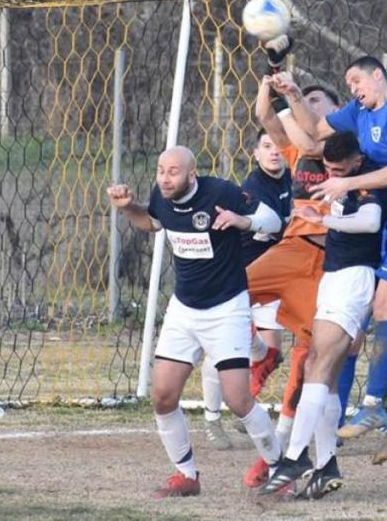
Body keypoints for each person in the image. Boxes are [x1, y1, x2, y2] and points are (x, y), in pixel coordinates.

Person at [274, 56, 387, 462]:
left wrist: (346, 184)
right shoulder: (358, 111)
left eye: (356, 80)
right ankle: (349, 423)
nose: (352, 88)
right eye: (348, 83)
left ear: (378, 75)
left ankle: (385, 410)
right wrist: (293, 94)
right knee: (356, 331)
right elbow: (314, 133)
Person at [106, 146, 285, 498]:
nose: (164, 178)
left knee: (238, 399)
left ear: (192, 174)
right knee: (162, 396)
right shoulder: (163, 197)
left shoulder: (221, 192)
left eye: (173, 172)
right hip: (184, 309)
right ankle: (187, 475)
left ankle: (281, 469)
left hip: (227, 307)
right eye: (160, 170)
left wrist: (243, 221)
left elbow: (274, 221)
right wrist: (128, 207)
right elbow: (152, 223)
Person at [259, 131, 387, 499]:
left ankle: (296, 456)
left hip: (354, 277)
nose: (332, 176)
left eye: (339, 171)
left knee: (317, 363)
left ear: (356, 163)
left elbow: (371, 222)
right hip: (334, 275)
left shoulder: (367, 181)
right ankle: (326, 463)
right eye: (328, 169)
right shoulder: (342, 180)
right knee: (322, 371)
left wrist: (322, 219)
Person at [239, 73, 342, 489]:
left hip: (328, 263)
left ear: (337, 112)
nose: (309, 107)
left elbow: (319, 142)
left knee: (310, 360)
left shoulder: (349, 148)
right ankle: (259, 353)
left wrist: (292, 96)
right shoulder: (297, 149)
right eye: (306, 100)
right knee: (229, 289)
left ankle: (281, 456)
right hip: (291, 249)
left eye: (318, 102)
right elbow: (264, 115)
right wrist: (270, 79)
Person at [201, 128, 292, 451]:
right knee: (223, 349)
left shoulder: (292, 180)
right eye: (266, 146)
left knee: (270, 353)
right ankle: (212, 419)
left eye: (278, 145)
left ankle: (244, 405)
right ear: (255, 153)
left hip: (271, 275)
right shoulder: (254, 188)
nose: (274, 151)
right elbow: (275, 228)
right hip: (240, 275)